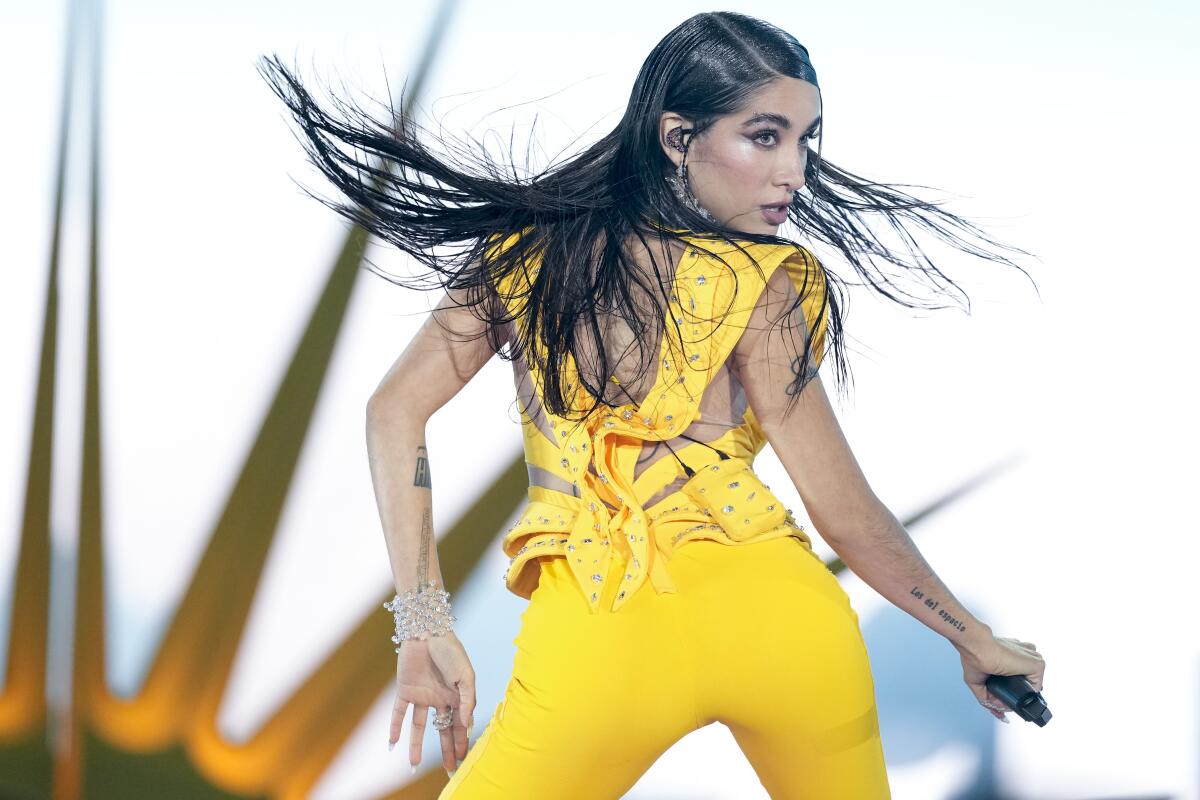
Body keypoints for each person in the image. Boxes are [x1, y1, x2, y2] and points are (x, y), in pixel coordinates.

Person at [258, 11, 1046, 799]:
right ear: (677, 136)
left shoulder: (524, 251)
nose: (795, 173)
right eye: (765, 136)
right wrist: (973, 640)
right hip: (782, 626)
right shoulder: (762, 281)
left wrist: (423, 623)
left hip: (601, 633)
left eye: (807, 140)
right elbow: (843, 511)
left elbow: (393, 412)